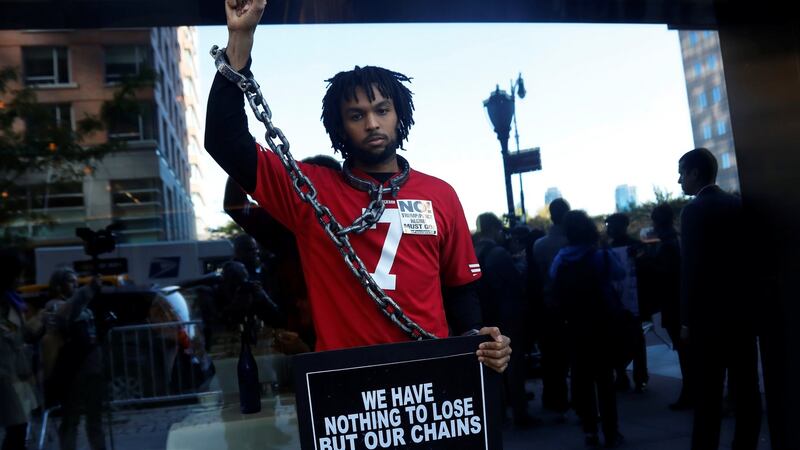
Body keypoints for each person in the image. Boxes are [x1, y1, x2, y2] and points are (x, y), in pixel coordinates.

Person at [204, 0, 510, 371]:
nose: (372, 123)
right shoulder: (308, 191)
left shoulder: (440, 194)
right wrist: (240, 38)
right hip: (349, 391)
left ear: (399, 116)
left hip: (430, 383)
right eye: (356, 115)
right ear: (340, 127)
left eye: (382, 110)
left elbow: (461, 289)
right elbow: (225, 140)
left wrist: (480, 342)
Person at [677, 148, 761, 450]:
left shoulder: (694, 211)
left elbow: (692, 269)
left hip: (708, 320)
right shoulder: (737, 204)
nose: (678, 180)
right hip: (741, 314)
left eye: (682, 172)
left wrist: (686, 320)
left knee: (708, 396)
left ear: (695, 173)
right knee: (747, 390)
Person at [551, 211, 625, 448]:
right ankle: (612, 432)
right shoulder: (600, 256)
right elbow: (620, 274)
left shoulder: (561, 258)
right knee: (605, 381)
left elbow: (552, 284)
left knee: (582, 381)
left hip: (574, 326)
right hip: (602, 325)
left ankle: (590, 430)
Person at [473, 213, 537, 427]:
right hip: (507, 316)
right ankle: (520, 412)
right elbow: (516, 282)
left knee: (490, 365)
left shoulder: (474, 252)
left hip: (484, 316)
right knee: (513, 363)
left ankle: (498, 412)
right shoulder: (498, 253)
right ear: (494, 228)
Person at [649, 203, 690, 410]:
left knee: (683, 348)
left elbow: (665, 273)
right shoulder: (677, 237)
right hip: (681, 300)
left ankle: (690, 391)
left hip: (672, 301)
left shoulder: (664, 243)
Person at [532, 198, 571, 418]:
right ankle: (568, 397)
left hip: (548, 307)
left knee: (550, 356)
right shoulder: (573, 244)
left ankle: (552, 397)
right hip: (570, 307)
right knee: (569, 355)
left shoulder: (540, 245)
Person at [0, 248, 41, 450]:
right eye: (19, 274)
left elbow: (18, 334)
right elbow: (12, 337)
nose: (22, 279)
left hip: (15, 375)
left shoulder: (12, 301)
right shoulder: (5, 304)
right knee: (17, 428)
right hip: (5, 376)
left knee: (18, 429)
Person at [605, 212, 649, 393]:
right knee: (631, 339)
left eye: (613, 226)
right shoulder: (632, 246)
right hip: (627, 301)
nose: (611, 230)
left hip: (628, 301)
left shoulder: (630, 247)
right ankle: (634, 376)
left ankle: (631, 376)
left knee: (628, 339)